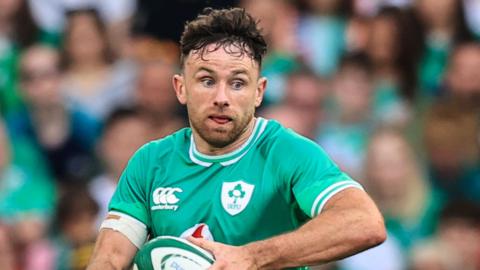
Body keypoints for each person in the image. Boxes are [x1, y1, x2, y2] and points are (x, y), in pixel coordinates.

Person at [87, 8, 386, 269]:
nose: (221, 98)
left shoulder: (287, 152)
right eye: (206, 80)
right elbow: (109, 259)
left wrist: (253, 257)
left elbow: (364, 222)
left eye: (238, 83)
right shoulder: (150, 162)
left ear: (259, 92)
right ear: (180, 88)